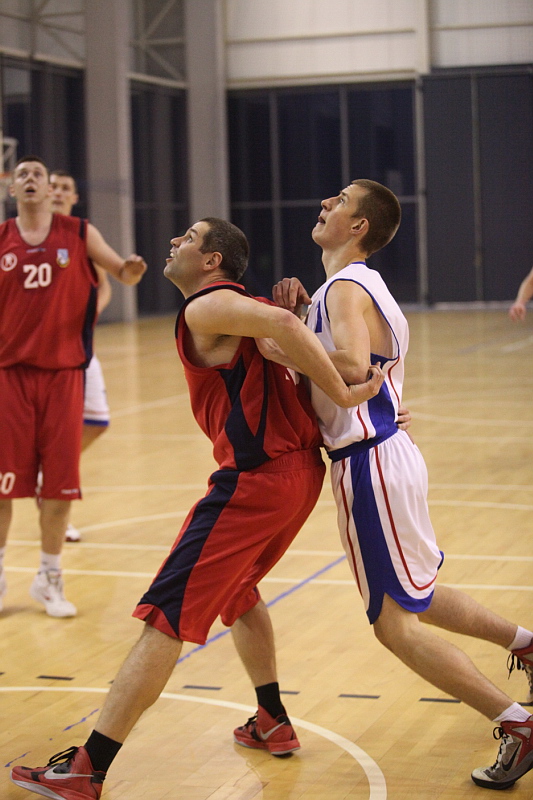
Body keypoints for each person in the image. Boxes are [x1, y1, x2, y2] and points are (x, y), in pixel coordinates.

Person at [10, 216, 386, 799]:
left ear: (212, 261)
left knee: (166, 614)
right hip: (297, 476)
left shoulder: (207, 307)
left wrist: (344, 390)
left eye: (187, 238)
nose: (172, 242)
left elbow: (287, 325)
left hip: (255, 481)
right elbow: (287, 328)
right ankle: (271, 718)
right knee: (238, 592)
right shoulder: (244, 308)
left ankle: (88, 767)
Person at [229, 180, 533, 791]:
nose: (324, 204)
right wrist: (298, 319)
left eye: (339, 201)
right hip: (386, 453)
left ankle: (517, 723)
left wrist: (277, 342)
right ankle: (527, 646)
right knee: (419, 594)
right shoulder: (355, 286)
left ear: (359, 225)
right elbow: (364, 365)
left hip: (369, 463)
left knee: (394, 626)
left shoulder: (346, 286)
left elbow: (351, 365)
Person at [0, 155, 147, 618]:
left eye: (37, 175)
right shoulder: (2, 239)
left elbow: (121, 273)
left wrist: (132, 269)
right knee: (2, 486)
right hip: (9, 376)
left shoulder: (80, 233)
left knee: (59, 486)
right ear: (12, 189)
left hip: (64, 375)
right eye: (21, 174)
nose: (29, 179)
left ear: (51, 189)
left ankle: (49, 577)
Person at [49, 169, 113, 543]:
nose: (58, 192)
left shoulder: (82, 237)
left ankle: (46, 478)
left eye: (65, 188)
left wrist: (91, 312)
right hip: (39, 358)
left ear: (74, 198)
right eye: (53, 186)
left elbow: (104, 286)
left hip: (79, 349)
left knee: (97, 421)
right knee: (58, 437)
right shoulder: (25, 237)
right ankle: (58, 512)